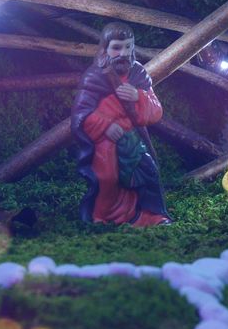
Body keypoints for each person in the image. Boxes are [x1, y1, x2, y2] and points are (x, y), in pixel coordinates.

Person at [71, 21, 170, 226]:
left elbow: (156, 110)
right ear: (105, 49)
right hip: (105, 143)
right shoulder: (94, 77)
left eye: (128, 47)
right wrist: (105, 126)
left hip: (132, 138)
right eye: (117, 47)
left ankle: (152, 215)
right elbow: (81, 114)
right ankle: (102, 216)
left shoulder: (138, 74)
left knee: (149, 170)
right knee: (107, 179)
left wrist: (138, 96)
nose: (123, 53)